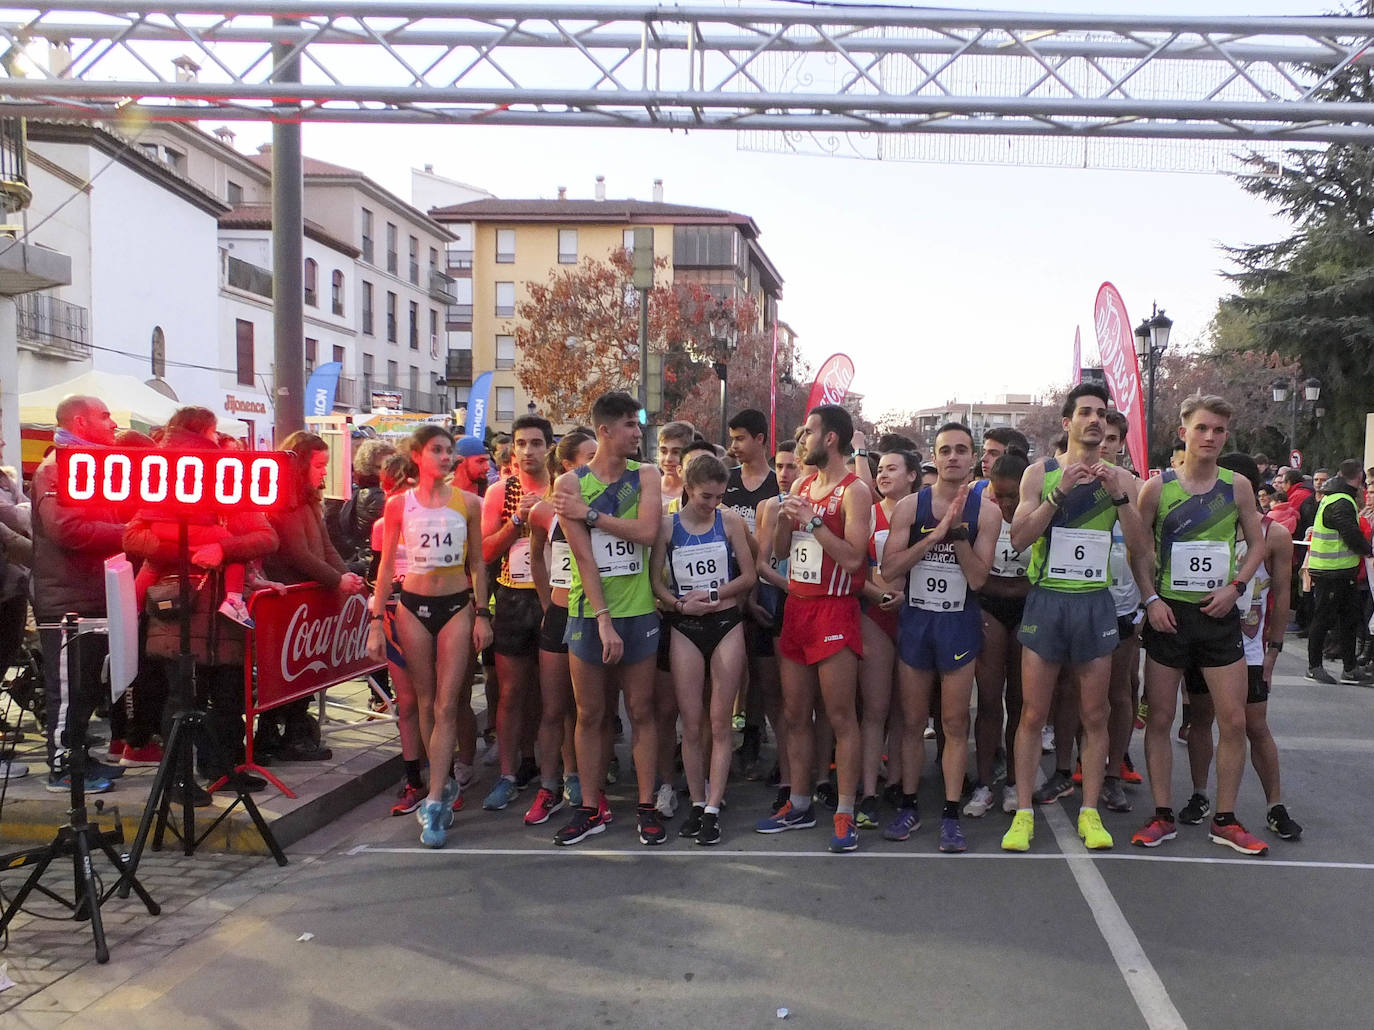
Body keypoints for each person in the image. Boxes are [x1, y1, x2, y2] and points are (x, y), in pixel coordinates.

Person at [1001, 383, 1150, 853]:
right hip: (1047, 600)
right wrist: (1059, 494)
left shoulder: (1122, 480)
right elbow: (1020, 538)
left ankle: (1089, 813)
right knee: (1032, 712)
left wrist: (1119, 498)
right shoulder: (1039, 474)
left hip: (1093, 603)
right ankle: (1023, 813)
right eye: (1084, 412)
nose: (1094, 420)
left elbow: (1143, 547)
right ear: (1067, 423)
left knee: (1094, 712)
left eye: (1101, 414)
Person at [1130, 394, 1269, 855]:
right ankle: (1163, 814)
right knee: (1162, 718)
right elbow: (1141, 551)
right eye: (1203, 428)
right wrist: (1150, 599)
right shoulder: (1157, 488)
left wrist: (1236, 587)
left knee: (1232, 719)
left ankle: (1225, 819)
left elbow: (1256, 543)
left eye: (1219, 430)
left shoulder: (1237, 487)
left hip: (1218, 614)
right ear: (1184, 431)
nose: (1210, 437)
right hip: (1170, 615)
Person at [124, 407, 280, 800]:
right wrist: (193, 547)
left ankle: (221, 769)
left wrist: (222, 546)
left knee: (227, 696)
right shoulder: (163, 480)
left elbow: (266, 538)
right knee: (180, 697)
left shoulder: (231, 484)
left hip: (223, 615)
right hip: (180, 607)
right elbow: (133, 539)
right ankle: (179, 779)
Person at [754, 404, 872, 853]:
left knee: (840, 716)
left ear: (831, 440)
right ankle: (799, 803)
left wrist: (815, 521)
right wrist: (785, 521)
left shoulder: (854, 491)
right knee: (794, 714)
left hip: (834, 608)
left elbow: (854, 558)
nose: (802, 439)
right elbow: (783, 551)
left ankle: (844, 811)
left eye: (809, 432)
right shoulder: (803, 484)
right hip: (798, 608)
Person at [368, 425, 491, 847]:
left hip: (456, 606)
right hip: (411, 608)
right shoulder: (399, 504)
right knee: (423, 701)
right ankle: (439, 781)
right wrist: (373, 620)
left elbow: (478, 563)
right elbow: (386, 567)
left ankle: (436, 799)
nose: (445, 457)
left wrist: (482, 613)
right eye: (437, 450)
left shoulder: (470, 502)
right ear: (418, 456)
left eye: (448, 451)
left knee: (446, 702)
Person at [551, 392, 665, 846]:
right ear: (605, 431)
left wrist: (593, 515)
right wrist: (602, 618)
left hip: (640, 611)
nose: (639, 434)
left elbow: (647, 532)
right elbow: (584, 559)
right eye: (631, 427)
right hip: (588, 611)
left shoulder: (648, 475)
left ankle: (646, 805)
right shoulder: (569, 484)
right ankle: (589, 806)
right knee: (591, 713)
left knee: (641, 711)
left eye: (639, 427)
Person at [881, 423, 1000, 852]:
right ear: (935, 456)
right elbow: (889, 571)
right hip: (917, 621)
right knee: (912, 722)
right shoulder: (911, 507)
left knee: (953, 723)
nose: (953, 457)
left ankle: (951, 813)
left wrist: (958, 536)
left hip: (958, 622)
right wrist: (933, 536)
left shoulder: (987, 513)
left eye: (962, 450)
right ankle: (909, 804)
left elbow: (979, 578)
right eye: (945, 449)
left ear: (972, 459)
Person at [1179, 452, 1303, 841]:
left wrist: (1273, 652)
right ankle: (1200, 794)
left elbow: (1281, 598)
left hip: (1248, 647)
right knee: (1200, 720)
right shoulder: (1201, 525)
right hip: (1203, 640)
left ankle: (1275, 805)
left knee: (1254, 725)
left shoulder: (1274, 535)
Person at [650, 454, 756, 845]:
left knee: (720, 721)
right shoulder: (667, 527)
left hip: (725, 623)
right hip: (685, 625)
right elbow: (655, 582)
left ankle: (713, 806)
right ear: (688, 489)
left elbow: (748, 575)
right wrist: (678, 605)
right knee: (690, 723)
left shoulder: (729, 522)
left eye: (718, 496)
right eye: (705, 497)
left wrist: (714, 594)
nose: (712, 503)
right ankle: (695, 802)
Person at [33, 395, 124, 793]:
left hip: (92, 595)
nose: (113, 423)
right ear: (80, 421)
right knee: (68, 692)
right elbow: (65, 530)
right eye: (105, 416)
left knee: (85, 689)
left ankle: (79, 757)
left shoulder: (91, 468)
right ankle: (63, 769)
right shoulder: (56, 469)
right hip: (67, 603)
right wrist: (127, 535)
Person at [260, 431, 368, 762]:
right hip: (289, 601)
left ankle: (288, 733)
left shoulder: (308, 502)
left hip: (306, 601)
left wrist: (343, 576)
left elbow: (325, 547)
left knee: (302, 675)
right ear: (301, 464)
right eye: (319, 465)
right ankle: (278, 736)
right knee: (286, 677)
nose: (324, 472)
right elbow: (297, 553)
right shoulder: (284, 504)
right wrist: (337, 579)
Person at [480, 414, 554, 810]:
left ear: (549, 447)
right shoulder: (500, 492)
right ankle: (509, 773)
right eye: (521, 443)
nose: (528, 451)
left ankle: (548, 772)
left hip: (553, 599)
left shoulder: (562, 488)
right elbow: (486, 551)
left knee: (550, 695)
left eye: (536, 443)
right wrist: (517, 521)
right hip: (511, 598)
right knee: (511, 693)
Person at [526, 430, 598, 825]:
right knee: (553, 708)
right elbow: (537, 556)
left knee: (589, 710)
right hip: (559, 612)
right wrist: (545, 599)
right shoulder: (543, 511)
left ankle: (585, 783)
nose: (597, 462)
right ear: (569, 465)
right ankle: (548, 785)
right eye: (589, 456)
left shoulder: (603, 504)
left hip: (593, 614)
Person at [854, 448, 917, 828]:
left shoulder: (923, 514)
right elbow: (851, 567)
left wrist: (908, 597)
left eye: (892, 468)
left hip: (914, 614)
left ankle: (896, 782)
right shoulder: (868, 515)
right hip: (874, 614)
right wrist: (877, 595)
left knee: (905, 711)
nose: (883, 474)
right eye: (880, 470)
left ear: (912, 475)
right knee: (875, 709)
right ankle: (869, 789)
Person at [973, 448, 1031, 817]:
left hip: (1028, 610)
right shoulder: (982, 513)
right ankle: (982, 783)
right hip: (990, 607)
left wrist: (1011, 587)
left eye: (1014, 495)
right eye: (1001, 495)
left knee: (1021, 703)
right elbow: (977, 577)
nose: (1007, 503)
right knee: (990, 698)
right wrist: (1008, 587)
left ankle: (1014, 780)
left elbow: (1041, 577)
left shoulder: (1037, 515)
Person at [724, 409, 780, 778]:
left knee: (762, 670)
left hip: (764, 588)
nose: (734, 447)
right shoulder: (723, 481)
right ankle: (719, 738)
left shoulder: (778, 486)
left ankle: (755, 733)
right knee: (726, 670)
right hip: (724, 588)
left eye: (741, 438)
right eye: (732, 439)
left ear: (761, 439)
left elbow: (772, 548)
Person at [752, 439, 802, 808]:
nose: (785, 475)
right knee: (775, 693)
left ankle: (801, 775)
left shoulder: (816, 501)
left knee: (800, 700)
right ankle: (786, 770)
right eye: (781, 467)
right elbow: (762, 561)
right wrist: (786, 587)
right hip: (778, 597)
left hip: (810, 602)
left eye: (793, 466)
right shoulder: (768, 505)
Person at [1303, 459, 1373, 684]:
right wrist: (1368, 552)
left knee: (1348, 619)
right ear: (1359, 477)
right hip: (1332, 572)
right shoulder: (1342, 501)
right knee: (1324, 619)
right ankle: (1315, 667)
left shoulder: (1335, 497)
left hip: (1339, 572)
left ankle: (1349, 668)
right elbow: (1350, 534)